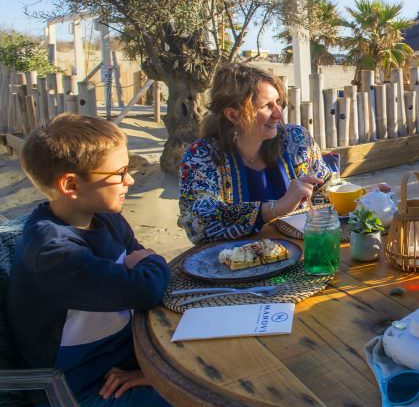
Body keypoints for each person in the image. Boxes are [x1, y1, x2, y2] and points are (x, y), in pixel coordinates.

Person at [8, 114, 171, 406]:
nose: (130, 180)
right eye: (119, 173)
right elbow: (145, 288)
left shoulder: (106, 219)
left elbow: (139, 268)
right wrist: (151, 262)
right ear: (71, 185)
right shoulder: (52, 252)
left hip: (125, 361)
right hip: (78, 389)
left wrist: (143, 267)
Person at [178, 63, 335, 244]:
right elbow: (197, 222)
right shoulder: (201, 156)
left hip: (301, 255)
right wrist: (275, 209)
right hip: (232, 264)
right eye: (267, 106)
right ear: (233, 115)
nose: (278, 113)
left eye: (279, 103)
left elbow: (328, 187)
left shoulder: (296, 141)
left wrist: (367, 197)